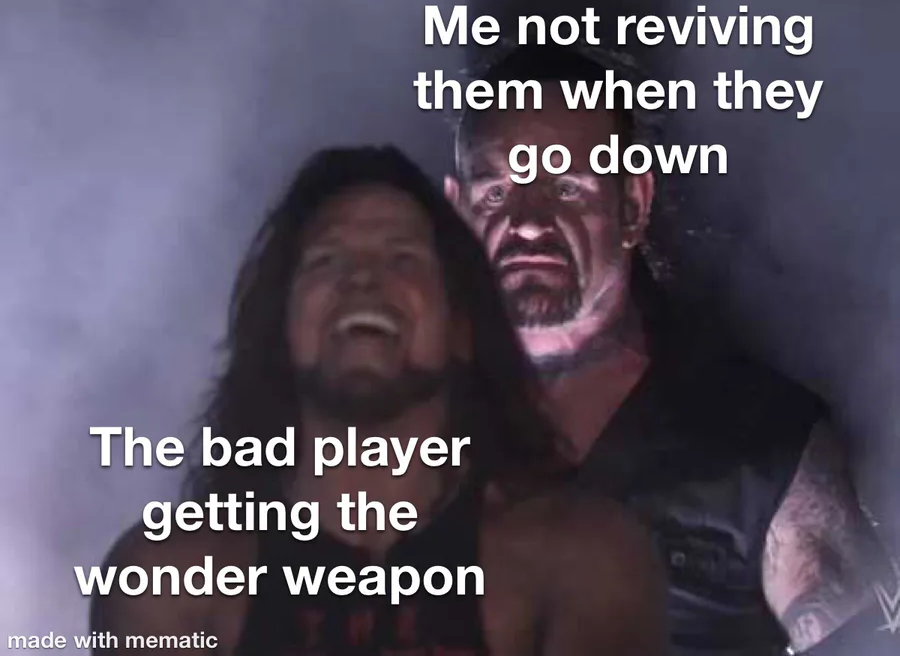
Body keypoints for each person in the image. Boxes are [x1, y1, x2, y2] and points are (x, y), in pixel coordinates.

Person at [90, 145, 666, 655]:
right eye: (327, 260)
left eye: (402, 258)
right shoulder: (166, 579)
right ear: (281, 329)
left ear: (462, 326)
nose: (362, 280)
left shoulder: (581, 559)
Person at [446, 44, 898, 655]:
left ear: (632, 205)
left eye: (565, 188)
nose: (528, 221)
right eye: (497, 192)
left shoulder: (761, 444)